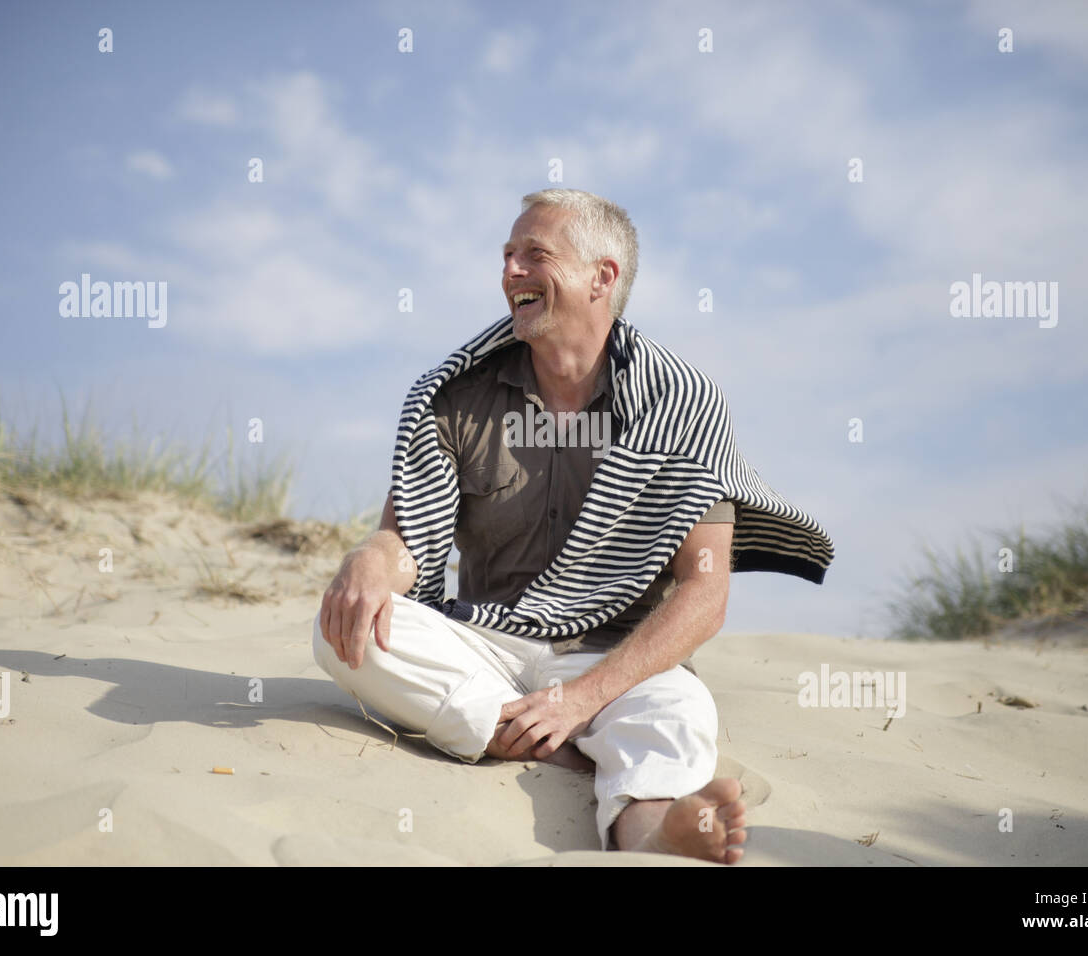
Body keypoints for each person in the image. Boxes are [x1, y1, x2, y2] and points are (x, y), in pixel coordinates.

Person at [314, 189, 758, 861]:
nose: (511, 273)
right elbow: (407, 541)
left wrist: (583, 697)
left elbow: (706, 594)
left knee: (681, 713)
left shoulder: (683, 404)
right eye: (507, 256)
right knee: (344, 631)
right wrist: (374, 558)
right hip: (486, 644)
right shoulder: (458, 394)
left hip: (614, 659)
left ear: (601, 277)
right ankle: (541, 745)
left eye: (534, 255)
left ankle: (652, 835)